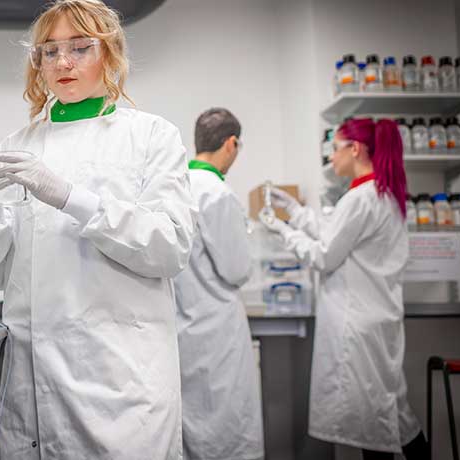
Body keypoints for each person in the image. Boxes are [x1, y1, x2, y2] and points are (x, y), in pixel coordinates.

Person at [0, 1, 197, 458]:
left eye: (80, 48)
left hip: (119, 385)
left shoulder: (151, 136)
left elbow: (169, 247)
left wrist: (69, 196)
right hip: (31, 386)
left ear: (109, 54)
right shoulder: (16, 147)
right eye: (49, 51)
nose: (63, 62)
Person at [260, 118, 429, 460]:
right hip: (377, 320)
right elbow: (334, 232)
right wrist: (293, 209)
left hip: (359, 326)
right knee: (392, 413)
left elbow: (324, 255)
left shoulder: (361, 198)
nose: (331, 158)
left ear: (355, 149)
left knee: (375, 424)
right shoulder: (383, 193)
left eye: (335, 148)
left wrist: (281, 229)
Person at [173, 108, 264, 460]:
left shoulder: (176, 187)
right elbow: (237, 270)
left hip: (183, 329)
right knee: (226, 431)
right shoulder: (217, 192)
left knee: (191, 427)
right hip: (218, 333)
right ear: (231, 143)